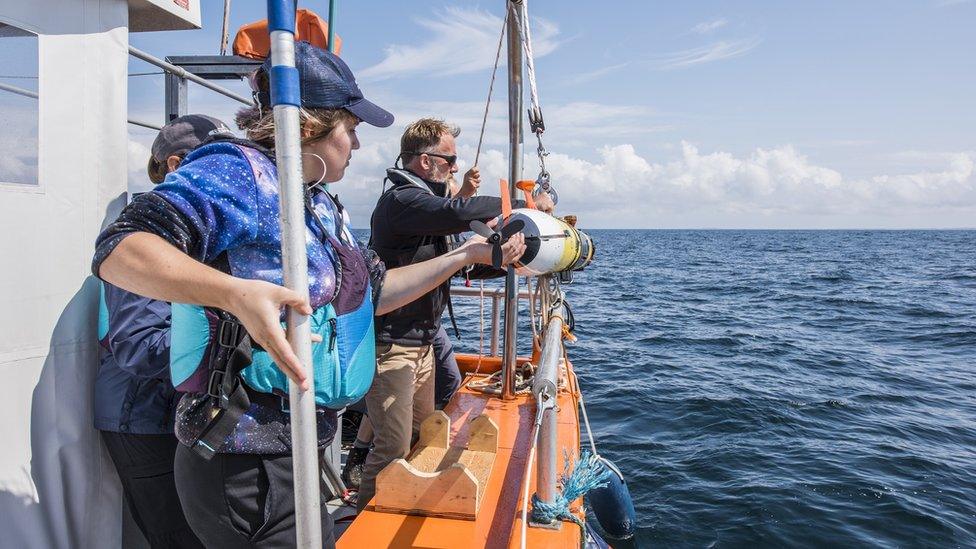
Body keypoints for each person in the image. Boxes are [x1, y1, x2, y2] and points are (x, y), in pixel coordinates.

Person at [91, 42, 525, 547]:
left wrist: (463, 258)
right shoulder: (237, 172)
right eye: (352, 130)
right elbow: (121, 250)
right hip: (242, 466)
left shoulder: (316, 202)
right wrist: (232, 293)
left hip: (293, 453)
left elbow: (375, 292)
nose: (358, 147)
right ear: (307, 126)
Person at [357, 118, 553, 510]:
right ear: (426, 162)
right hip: (391, 346)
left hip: (422, 344)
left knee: (418, 436)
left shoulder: (423, 212)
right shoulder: (402, 201)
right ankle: (362, 520)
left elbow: (456, 263)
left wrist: (504, 261)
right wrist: (522, 206)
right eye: (450, 160)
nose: (456, 168)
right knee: (391, 448)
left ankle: (396, 507)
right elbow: (456, 210)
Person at [95, 114, 232, 549]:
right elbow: (141, 347)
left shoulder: (202, 230)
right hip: (144, 418)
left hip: (184, 413)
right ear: (175, 165)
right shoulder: (145, 234)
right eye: (214, 163)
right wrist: (243, 338)